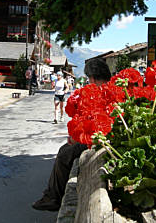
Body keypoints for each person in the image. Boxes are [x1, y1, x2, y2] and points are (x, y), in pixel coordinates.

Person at [32, 58, 111, 211]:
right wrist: (77, 134)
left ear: (93, 78)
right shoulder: (107, 87)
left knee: (64, 154)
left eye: (89, 78)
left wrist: (79, 137)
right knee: (64, 150)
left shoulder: (101, 91)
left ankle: (53, 198)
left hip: (101, 140)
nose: (88, 81)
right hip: (99, 137)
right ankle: (51, 194)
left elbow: (98, 122)